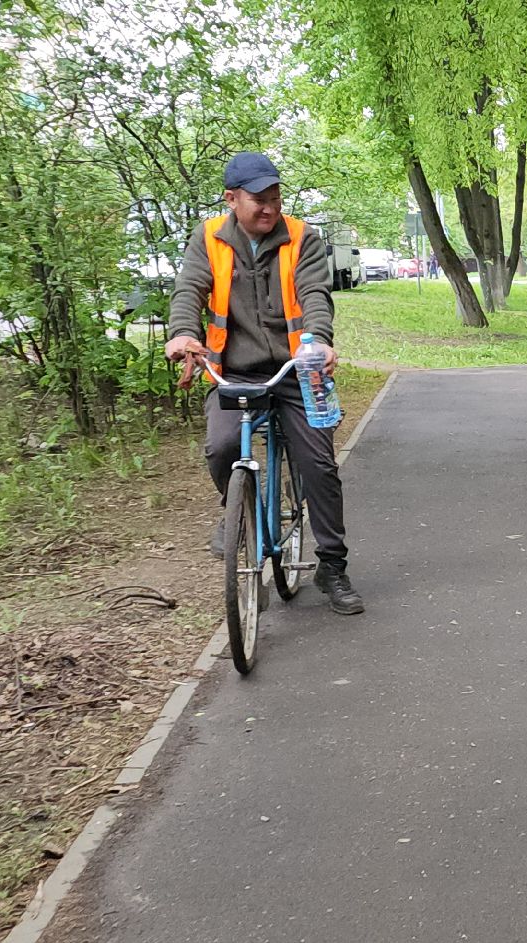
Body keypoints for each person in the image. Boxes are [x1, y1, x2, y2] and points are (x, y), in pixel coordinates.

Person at [165, 152, 365, 616]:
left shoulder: (301, 237)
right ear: (232, 199)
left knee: (318, 463)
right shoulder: (209, 238)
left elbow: (316, 293)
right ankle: (240, 513)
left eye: (275, 197)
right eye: (258, 199)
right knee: (219, 448)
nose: (269, 207)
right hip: (233, 370)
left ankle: (332, 566)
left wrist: (319, 342)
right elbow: (189, 289)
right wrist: (183, 335)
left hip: (297, 370)